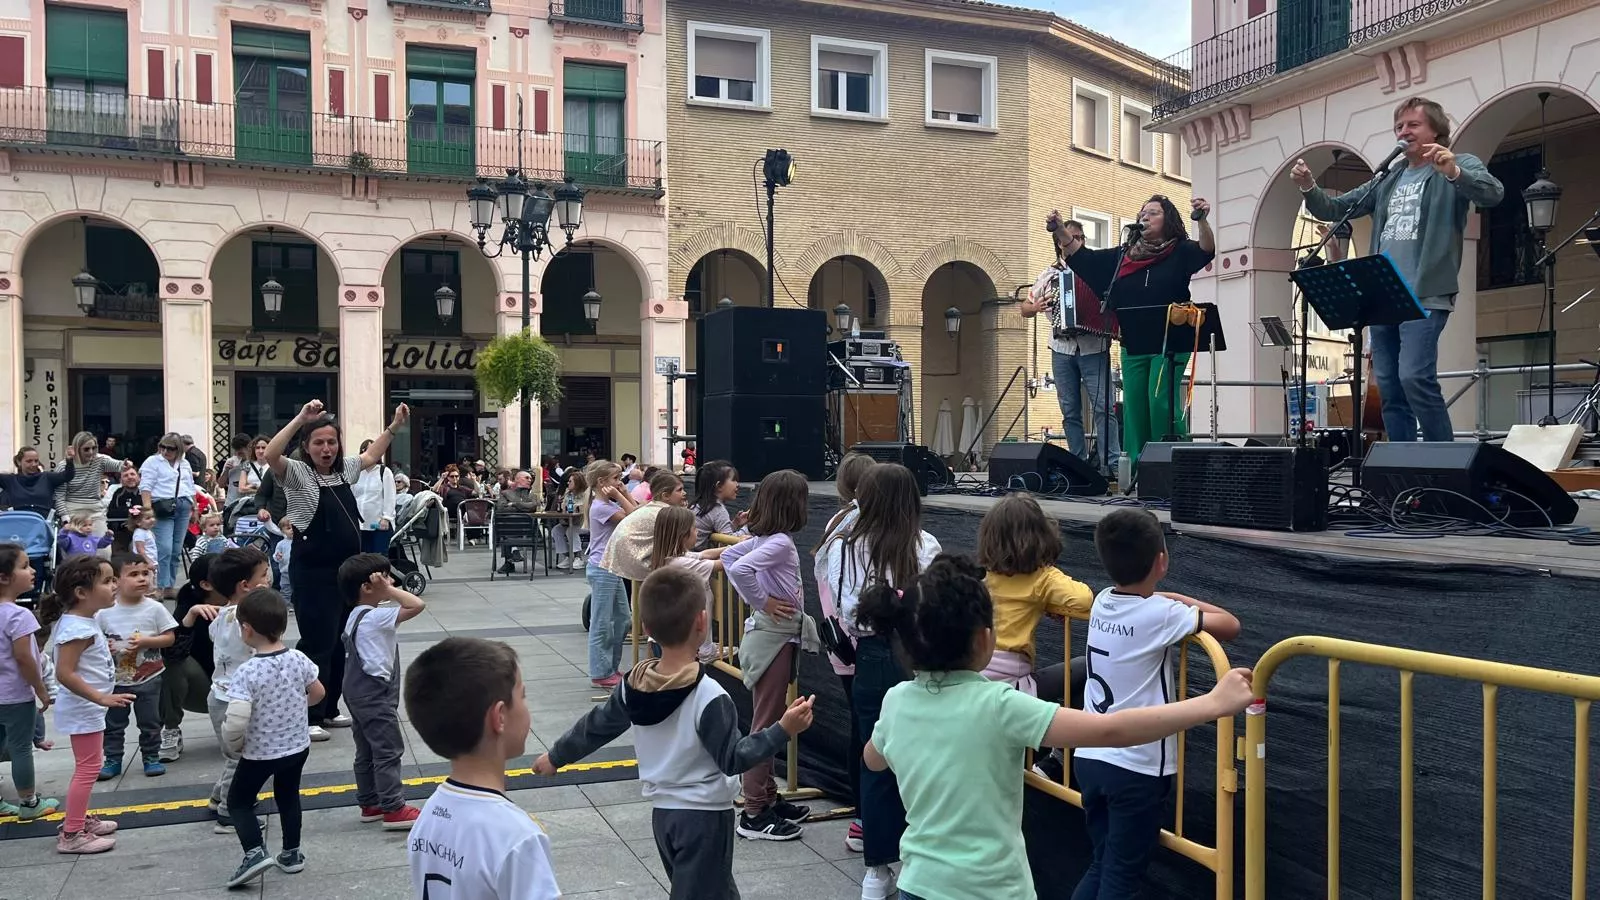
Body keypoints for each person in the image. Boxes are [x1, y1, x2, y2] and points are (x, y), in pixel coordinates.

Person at [858, 554, 1256, 900]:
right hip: (992, 889)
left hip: (919, 884)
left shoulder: (897, 702)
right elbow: (1110, 730)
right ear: (984, 639)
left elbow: (873, 760)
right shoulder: (1000, 705)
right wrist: (1210, 704)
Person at [535, 566, 816, 900]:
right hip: (705, 818)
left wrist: (555, 756)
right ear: (702, 622)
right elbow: (733, 758)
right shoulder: (709, 695)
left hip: (664, 816)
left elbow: (594, 728)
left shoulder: (632, 686)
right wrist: (783, 729)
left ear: (645, 628)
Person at [1291, 97, 1505, 443]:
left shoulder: (1458, 164)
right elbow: (1336, 207)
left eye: (1413, 125)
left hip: (1425, 293)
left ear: (1436, 129)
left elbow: (1493, 193)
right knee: (1389, 387)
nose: (1404, 132)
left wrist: (1453, 172)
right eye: (1399, 127)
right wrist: (1307, 187)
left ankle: (1442, 464)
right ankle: (1402, 468)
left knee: (1414, 378)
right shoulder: (1387, 178)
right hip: (1383, 295)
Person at [1071, 508, 1242, 900]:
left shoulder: (1101, 600)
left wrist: (1164, 598)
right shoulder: (1161, 614)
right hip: (1137, 770)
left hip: (1090, 758)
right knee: (1120, 880)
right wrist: (1178, 598)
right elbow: (1230, 625)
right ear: (1161, 561)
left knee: (1102, 864)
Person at [824, 463, 942, 900]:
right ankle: (919, 858)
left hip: (870, 657)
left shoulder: (843, 546)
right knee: (924, 760)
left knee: (874, 759)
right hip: (918, 657)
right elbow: (931, 604)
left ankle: (876, 870)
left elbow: (845, 608)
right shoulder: (924, 545)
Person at [264, 398, 409, 738]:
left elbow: (372, 456)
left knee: (342, 640)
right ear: (307, 446)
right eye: (319, 442)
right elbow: (271, 455)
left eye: (331, 442)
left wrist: (393, 427)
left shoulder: (344, 469)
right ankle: (308, 714)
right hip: (313, 572)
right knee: (318, 641)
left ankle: (330, 708)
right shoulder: (297, 472)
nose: (326, 448)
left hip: (347, 573)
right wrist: (301, 417)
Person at [1052, 195, 1215, 475]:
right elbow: (1085, 260)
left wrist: (1201, 220)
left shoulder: (1180, 251)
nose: (1145, 217)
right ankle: (1142, 473)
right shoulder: (1124, 256)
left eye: (1153, 213)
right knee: (1134, 408)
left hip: (1170, 337)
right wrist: (1061, 231)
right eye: (1143, 213)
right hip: (1134, 341)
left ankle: (1178, 467)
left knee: (1159, 400)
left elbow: (1207, 249)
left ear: (1168, 220)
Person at [405, 637, 560, 899]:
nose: (526, 707)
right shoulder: (518, 837)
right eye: (522, 696)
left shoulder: (430, 814)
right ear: (499, 716)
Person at [719, 469, 815, 842]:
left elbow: (728, 557)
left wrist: (760, 601)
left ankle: (766, 797)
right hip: (773, 638)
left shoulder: (771, 540)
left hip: (774, 637)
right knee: (768, 723)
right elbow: (737, 566)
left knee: (771, 719)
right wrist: (762, 601)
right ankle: (755, 810)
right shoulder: (778, 543)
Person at [220, 587, 322, 888]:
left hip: (260, 751)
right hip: (296, 746)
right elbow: (318, 694)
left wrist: (233, 743)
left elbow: (237, 719)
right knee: (288, 796)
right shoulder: (298, 659)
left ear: (246, 629)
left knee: (239, 801)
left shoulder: (247, 671)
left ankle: (254, 852)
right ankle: (291, 854)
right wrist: (293, 706)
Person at [40, 555, 132, 853]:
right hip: (84, 709)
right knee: (89, 768)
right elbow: (64, 673)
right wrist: (101, 697)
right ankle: (72, 834)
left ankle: (79, 820)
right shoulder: (76, 628)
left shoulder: (82, 621)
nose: (115, 585)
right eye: (107, 581)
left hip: (88, 708)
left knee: (89, 766)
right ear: (81, 593)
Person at [810, 451, 876, 853]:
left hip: (842, 644)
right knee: (868, 732)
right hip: (857, 644)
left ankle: (863, 812)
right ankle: (866, 815)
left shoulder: (838, 522)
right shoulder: (856, 525)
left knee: (861, 728)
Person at [1021, 220, 1121, 475]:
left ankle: (1110, 464)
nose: (1077, 241)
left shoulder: (1096, 272)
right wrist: (1035, 307)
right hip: (1061, 349)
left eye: (1081, 237)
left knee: (1103, 408)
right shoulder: (1049, 274)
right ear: (1059, 243)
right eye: (1071, 236)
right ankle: (1078, 464)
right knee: (1069, 410)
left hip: (1094, 347)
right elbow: (1025, 308)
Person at [338, 552, 426, 830]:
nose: (391, 581)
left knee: (366, 750)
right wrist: (390, 591)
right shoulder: (376, 617)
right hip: (374, 693)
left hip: (356, 691)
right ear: (367, 587)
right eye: (384, 578)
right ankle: (393, 807)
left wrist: (384, 588)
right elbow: (417, 604)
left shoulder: (355, 614)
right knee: (388, 750)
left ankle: (370, 802)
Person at [977, 493, 1093, 700]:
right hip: (1012, 688)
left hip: (974, 675)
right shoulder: (1043, 579)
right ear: (1041, 536)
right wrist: (1048, 593)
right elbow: (1083, 599)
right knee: (1085, 666)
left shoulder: (982, 576)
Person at [206, 547, 273, 830]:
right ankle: (230, 812)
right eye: (264, 575)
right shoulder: (248, 620)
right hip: (237, 701)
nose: (269, 580)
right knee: (243, 759)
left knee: (234, 755)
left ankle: (218, 796)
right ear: (246, 585)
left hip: (219, 696)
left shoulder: (222, 615)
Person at [95, 553, 177, 779]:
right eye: (133, 574)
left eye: (145, 573)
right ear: (116, 581)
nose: (142, 579)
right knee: (113, 723)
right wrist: (106, 646)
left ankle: (150, 756)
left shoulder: (154, 608)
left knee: (150, 721)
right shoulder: (103, 612)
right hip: (115, 681)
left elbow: (169, 638)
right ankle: (112, 759)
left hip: (149, 677)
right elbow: (93, 640)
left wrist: (146, 642)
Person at [0, 544, 59, 820]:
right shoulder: (18, 615)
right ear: (4, 577)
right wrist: (41, 689)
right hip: (15, 695)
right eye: (24, 566)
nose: (32, 570)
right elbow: (25, 658)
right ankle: (29, 802)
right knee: (21, 747)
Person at [159, 554, 222, 765]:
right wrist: (188, 620)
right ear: (206, 584)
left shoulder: (244, 600)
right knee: (173, 663)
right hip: (204, 689)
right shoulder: (189, 607)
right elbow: (171, 653)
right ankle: (171, 729)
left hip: (241, 689)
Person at [585, 461, 641, 689]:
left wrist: (624, 492)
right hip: (602, 568)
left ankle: (610, 667)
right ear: (602, 483)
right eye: (616, 479)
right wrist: (621, 496)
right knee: (601, 622)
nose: (620, 482)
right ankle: (600, 671)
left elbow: (638, 510)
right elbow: (635, 518)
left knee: (623, 618)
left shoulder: (607, 504)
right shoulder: (601, 507)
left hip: (611, 567)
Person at [649, 505, 729, 664]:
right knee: (677, 682)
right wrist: (754, 549)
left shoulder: (671, 557)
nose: (698, 532)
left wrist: (737, 545)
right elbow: (721, 564)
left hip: (666, 636)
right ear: (682, 535)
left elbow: (705, 555)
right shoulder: (680, 563)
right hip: (676, 641)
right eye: (694, 528)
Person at [601, 470, 689, 585]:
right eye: (679, 490)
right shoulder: (665, 513)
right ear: (665, 496)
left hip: (621, 560)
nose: (684, 493)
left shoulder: (652, 506)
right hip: (633, 562)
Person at [139, 433, 197, 597]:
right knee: (164, 548)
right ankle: (160, 586)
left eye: (170, 448)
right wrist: (147, 509)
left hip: (183, 505)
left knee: (176, 549)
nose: (165, 451)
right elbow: (146, 486)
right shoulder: (152, 462)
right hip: (162, 505)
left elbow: (190, 485)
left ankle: (169, 585)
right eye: (162, 447)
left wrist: (195, 507)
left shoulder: (184, 463)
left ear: (178, 449)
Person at [54, 431, 124, 534]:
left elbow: (118, 465)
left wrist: (126, 464)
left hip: (95, 510)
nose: (91, 452)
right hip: (73, 511)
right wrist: (65, 519)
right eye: (86, 449)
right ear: (77, 449)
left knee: (104, 550)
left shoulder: (100, 460)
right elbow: (59, 496)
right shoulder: (63, 466)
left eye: (94, 448)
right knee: (77, 548)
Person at [691, 461, 748, 551]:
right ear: (719, 486)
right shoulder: (717, 509)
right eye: (733, 480)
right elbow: (729, 540)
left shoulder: (698, 505)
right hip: (696, 556)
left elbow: (722, 533)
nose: (737, 484)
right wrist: (749, 527)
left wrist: (735, 523)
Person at [354, 440, 398, 556]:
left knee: (378, 558)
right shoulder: (357, 472)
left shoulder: (384, 472)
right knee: (361, 559)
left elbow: (390, 497)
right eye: (367, 450)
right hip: (360, 525)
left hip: (378, 524)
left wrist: (386, 518)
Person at [493, 470, 541, 576]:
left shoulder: (532, 496)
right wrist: (523, 507)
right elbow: (501, 509)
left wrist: (514, 504)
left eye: (530, 478)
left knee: (506, 528)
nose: (530, 480)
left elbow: (533, 507)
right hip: (510, 530)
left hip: (528, 531)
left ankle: (509, 561)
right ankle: (510, 559)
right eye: (526, 478)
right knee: (506, 526)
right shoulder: (506, 493)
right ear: (517, 479)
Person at [0, 447, 73, 517]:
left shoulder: (47, 477)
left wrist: (69, 460)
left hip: (43, 523)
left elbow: (67, 476)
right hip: (17, 523)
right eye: (29, 461)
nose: (34, 464)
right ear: (19, 462)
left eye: (36, 461)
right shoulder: (10, 480)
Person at [549, 469, 589, 571]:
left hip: (584, 523)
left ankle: (578, 557)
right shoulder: (568, 493)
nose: (568, 483)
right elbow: (564, 506)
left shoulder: (586, 493)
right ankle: (567, 556)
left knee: (570, 530)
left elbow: (583, 507)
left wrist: (571, 507)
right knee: (556, 530)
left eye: (570, 481)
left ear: (578, 482)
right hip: (569, 522)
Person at [104, 465, 142, 534]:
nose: (130, 477)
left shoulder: (145, 492)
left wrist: (123, 510)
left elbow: (146, 512)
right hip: (120, 531)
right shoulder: (118, 492)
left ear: (139, 477)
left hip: (142, 530)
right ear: (121, 480)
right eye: (126, 475)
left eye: (132, 474)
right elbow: (110, 513)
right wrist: (132, 511)